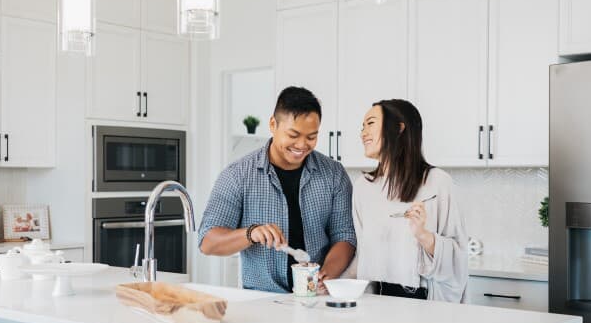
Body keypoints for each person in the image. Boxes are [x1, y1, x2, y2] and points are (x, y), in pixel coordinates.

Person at [199, 86, 356, 293]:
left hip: (318, 299)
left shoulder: (334, 174)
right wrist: (251, 233)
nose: (302, 145)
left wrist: (326, 274)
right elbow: (208, 242)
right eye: (293, 135)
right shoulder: (238, 175)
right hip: (261, 301)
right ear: (273, 125)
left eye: (311, 137)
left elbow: (345, 237)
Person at [353, 99, 467, 302]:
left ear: (398, 129)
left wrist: (423, 235)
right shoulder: (363, 187)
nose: (363, 133)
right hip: (375, 302)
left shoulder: (437, 182)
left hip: (423, 302)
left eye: (370, 124)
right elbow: (361, 254)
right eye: (362, 127)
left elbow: (458, 261)